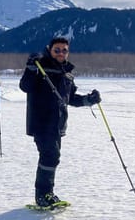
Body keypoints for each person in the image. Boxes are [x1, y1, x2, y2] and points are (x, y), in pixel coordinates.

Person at [18, 36, 100, 207]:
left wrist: (89, 100)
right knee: (50, 156)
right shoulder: (40, 66)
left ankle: (47, 193)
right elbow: (25, 86)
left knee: (52, 158)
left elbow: (70, 98)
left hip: (58, 124)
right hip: (41, 122)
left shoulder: (67, 73)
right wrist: (31, 68)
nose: (61, 53)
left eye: (64, 50)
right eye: (57, 50)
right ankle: (42, 195)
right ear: (50, 50)